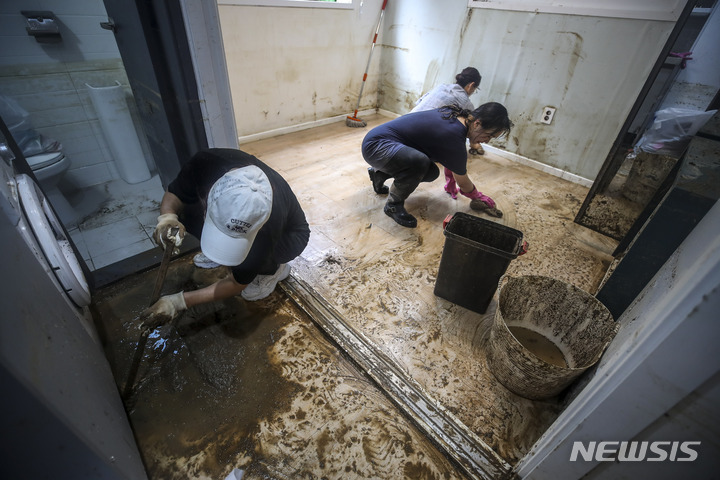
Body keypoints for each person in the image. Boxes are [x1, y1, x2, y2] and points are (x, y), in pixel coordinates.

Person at [143, 148, 310, 324]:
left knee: (254, 272)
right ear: (209, 198)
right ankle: (225, 250)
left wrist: (177, 302)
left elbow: (237, 284)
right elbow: (177, 192)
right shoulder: (207, 163)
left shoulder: (268, 225)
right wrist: (167, 218)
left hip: (289, 237)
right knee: (185, 214)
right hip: (255, 227)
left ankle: (273, 271)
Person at [363, 102, 512, 228]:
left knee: (430, 171)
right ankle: (393, 205)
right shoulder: (454, 134)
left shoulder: (455, 115)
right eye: (489, 135)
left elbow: (450, 159)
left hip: (381, 143)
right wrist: (477, 196)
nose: (487, 141)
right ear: (477, 123)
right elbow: (462, 180)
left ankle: (379, 174)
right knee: (419, 163)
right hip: (377, 146)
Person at [411, 67, 486, 155]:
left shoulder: (441, 87)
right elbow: (471, 128)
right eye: (475, 89)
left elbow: (419, 102)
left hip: (405, 125)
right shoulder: (466, 103)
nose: (473, 91)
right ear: (471, 85)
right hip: (420, 140)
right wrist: (475, 144)